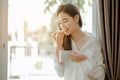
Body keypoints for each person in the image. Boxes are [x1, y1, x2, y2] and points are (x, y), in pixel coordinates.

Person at [52, 3, 105, 80]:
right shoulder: (62, 43)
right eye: (60, 23)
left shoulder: (93, 42)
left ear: (76, 18)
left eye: (65, 21)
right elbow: (60, 73)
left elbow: (101, 75)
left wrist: (84, 60)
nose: (62, 26)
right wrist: (58, 46)